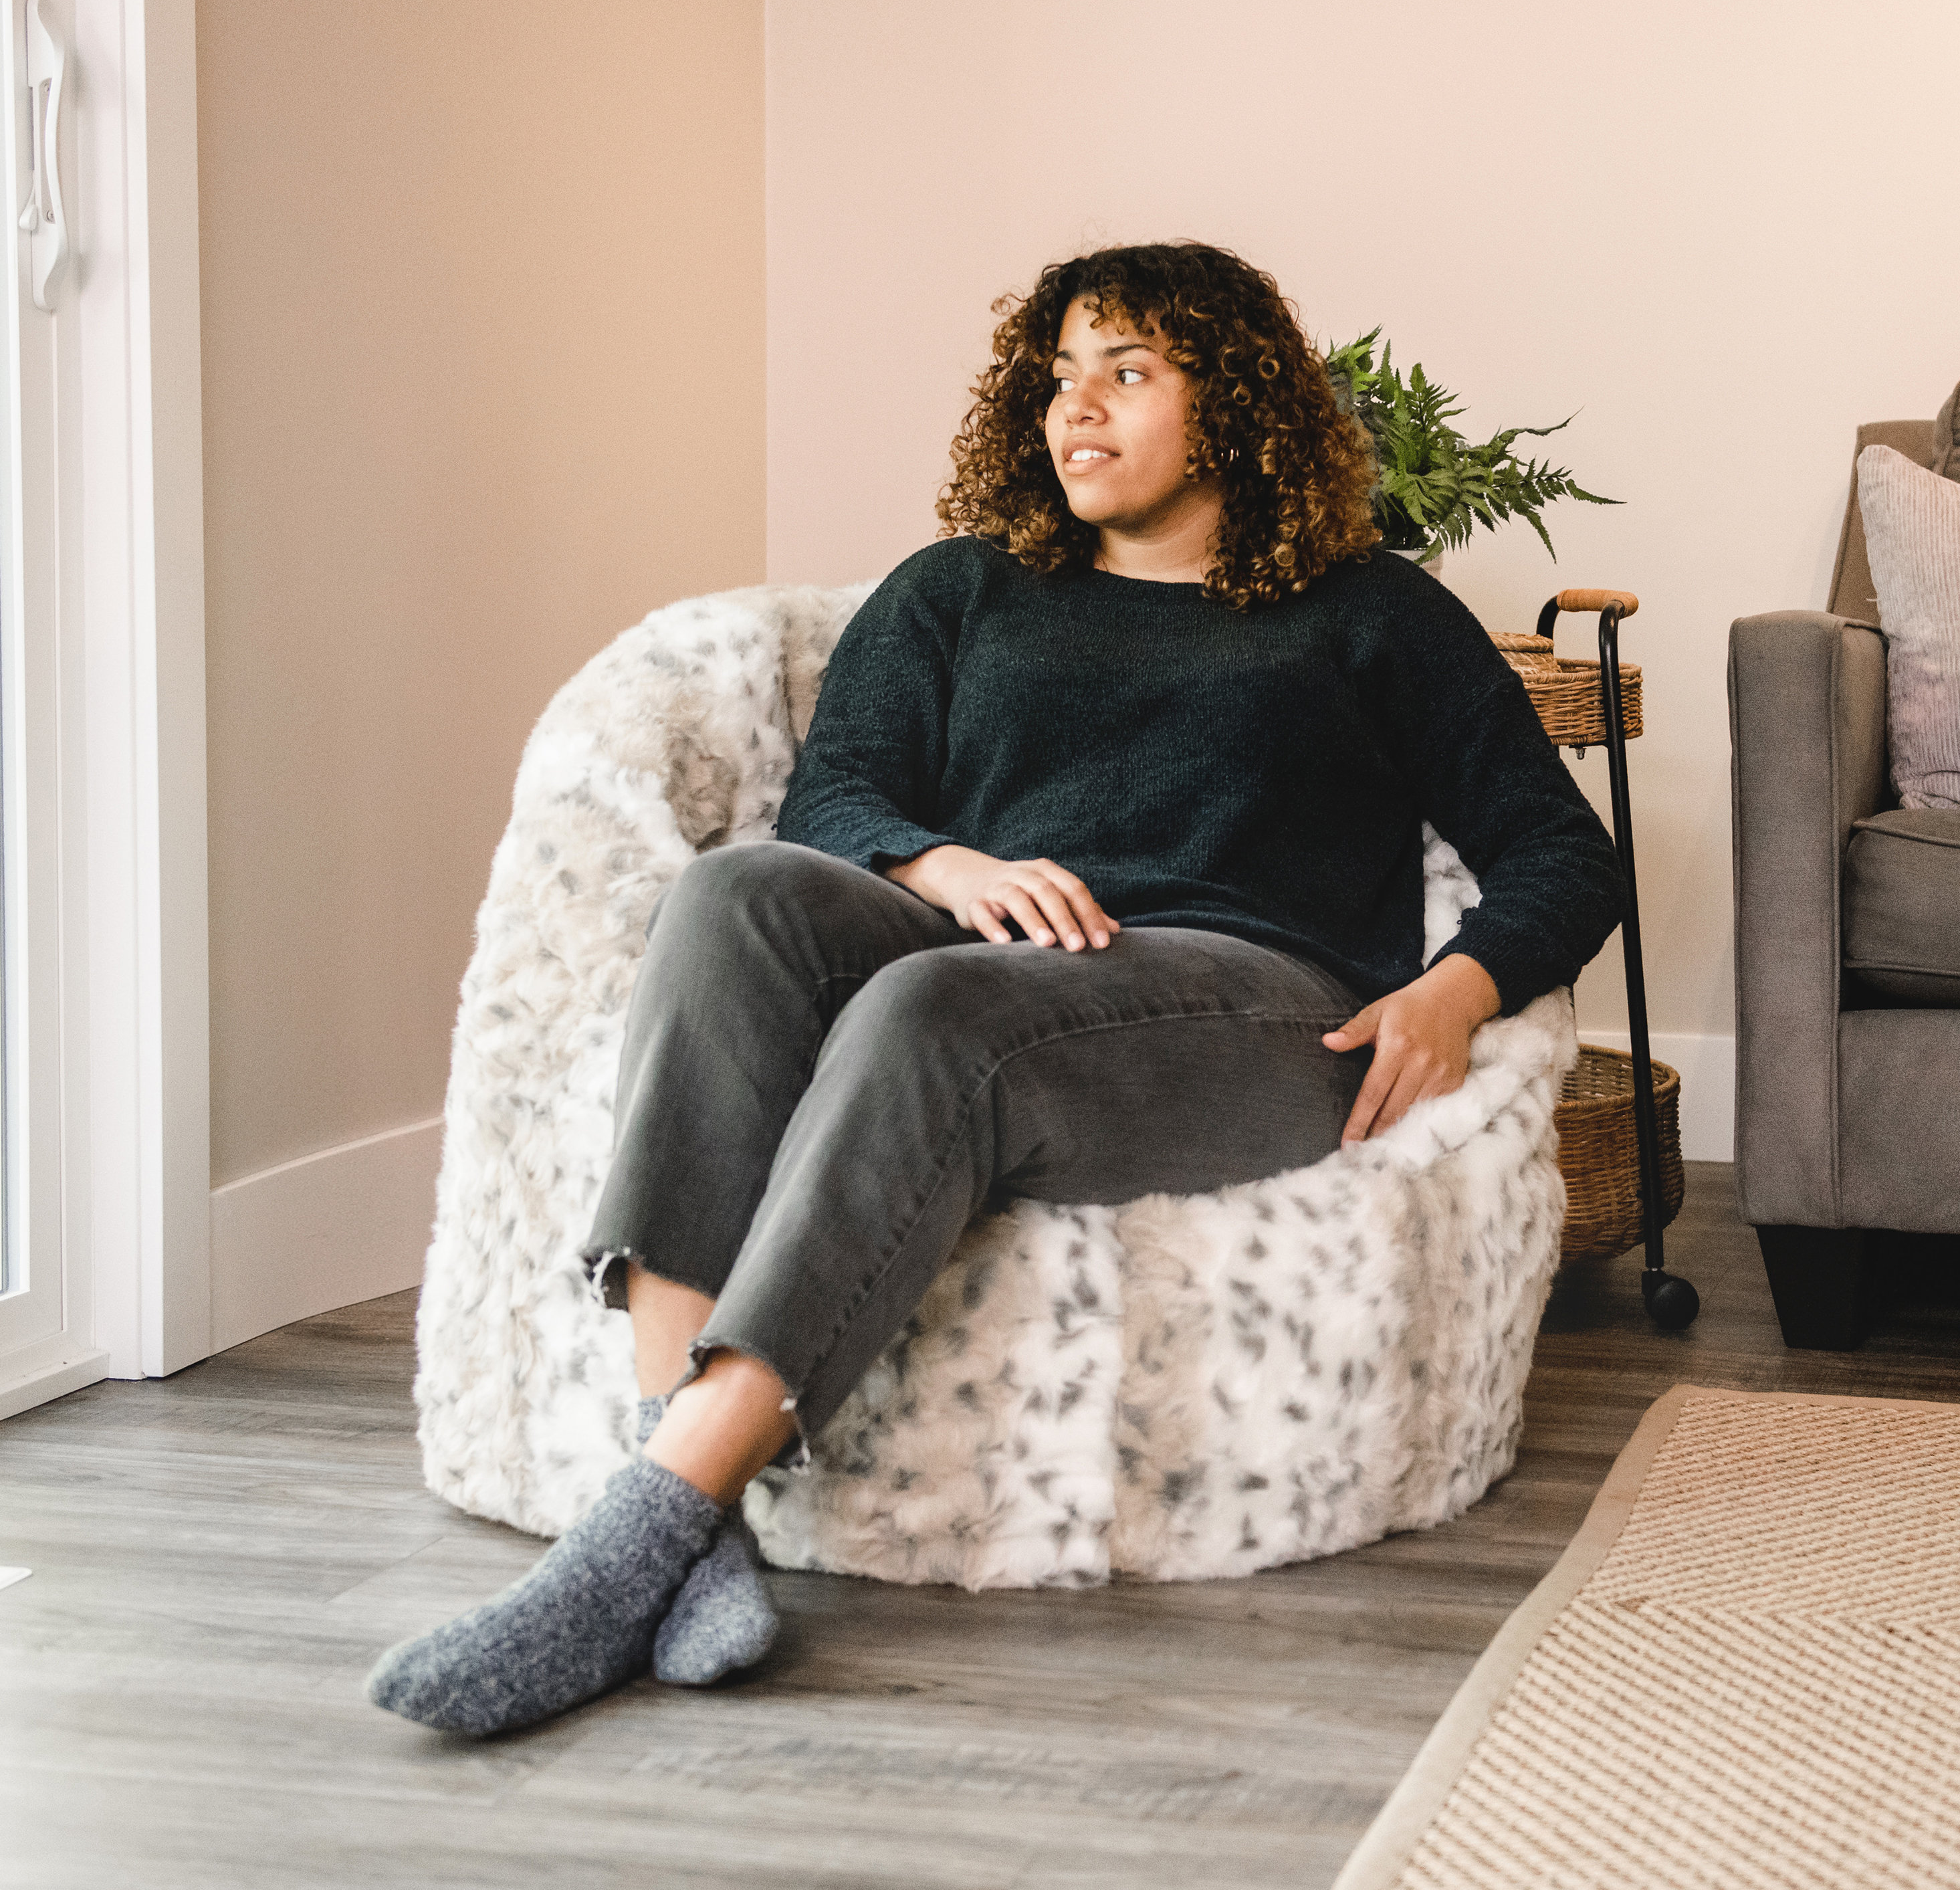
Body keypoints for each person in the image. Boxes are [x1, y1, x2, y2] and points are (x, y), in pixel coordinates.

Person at [367, 241, 1624, 1735]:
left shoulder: (1371, 613)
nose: (1074, 410)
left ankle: (623, 1548)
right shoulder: (962, 592)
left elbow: (1559, 850)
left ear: (1234, 402)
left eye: (1128, 373)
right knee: (735, 895)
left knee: (933, 1015)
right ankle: (680, 1509)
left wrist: (1461, 989)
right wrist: (944, 868)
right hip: (989, 948)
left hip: (1248, 1002)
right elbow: (833, 797)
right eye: (1057, 377)